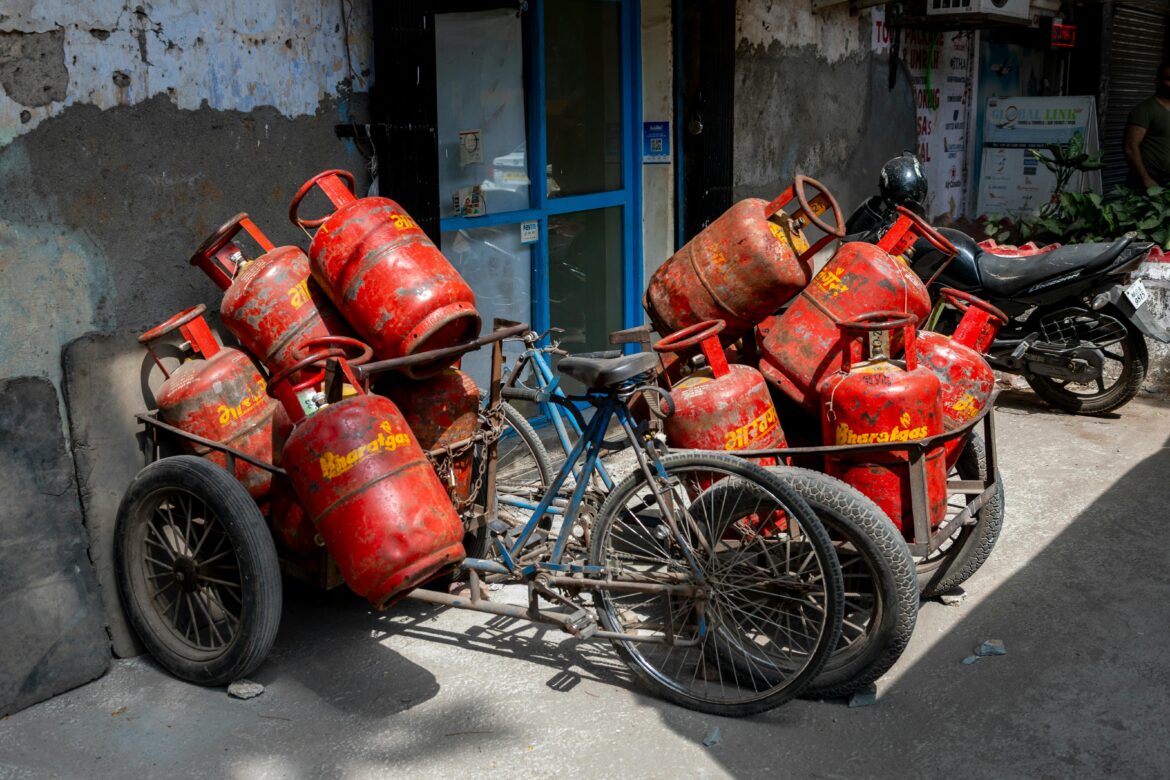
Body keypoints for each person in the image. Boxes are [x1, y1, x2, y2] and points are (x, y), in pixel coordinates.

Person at [1124, 62, 1170, 190]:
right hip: (1151, 181)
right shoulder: (1145, 109)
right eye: (1168, 79)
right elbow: (1130, 147)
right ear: (1156, 81)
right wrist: (1146, 179)